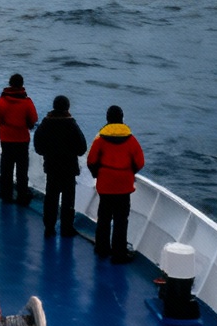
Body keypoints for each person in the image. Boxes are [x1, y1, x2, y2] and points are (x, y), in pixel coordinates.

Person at [86, 105, 144, 262]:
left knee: (104, 217)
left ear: (107, 119)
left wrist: (98, 174)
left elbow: (91, 160)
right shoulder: (131, 140)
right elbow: (140, 162)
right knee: (121, 219)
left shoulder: (100, 139)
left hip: (105, 184)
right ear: (122, 118)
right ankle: (119, 253)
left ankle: (101, 248)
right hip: (124, 185)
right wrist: (128, 173)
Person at [33, 95, 88, 237]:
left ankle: (49, 227)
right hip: (69, 168)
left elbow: (38, 147)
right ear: (67, 107)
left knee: (51, 197)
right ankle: (66, 228)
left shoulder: (45, 124)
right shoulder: (72, 125)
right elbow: (82, 148)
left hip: (51, 167)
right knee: (68, 199)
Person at [0, 74, 38, 203]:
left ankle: (5, 193)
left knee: (6, 167)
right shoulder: (27, 102)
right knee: (22, 169)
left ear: (10, 84)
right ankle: (22, 195)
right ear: (22, 84)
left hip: (6, 138)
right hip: (22, 139)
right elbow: (33, 118)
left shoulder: (2, 101)